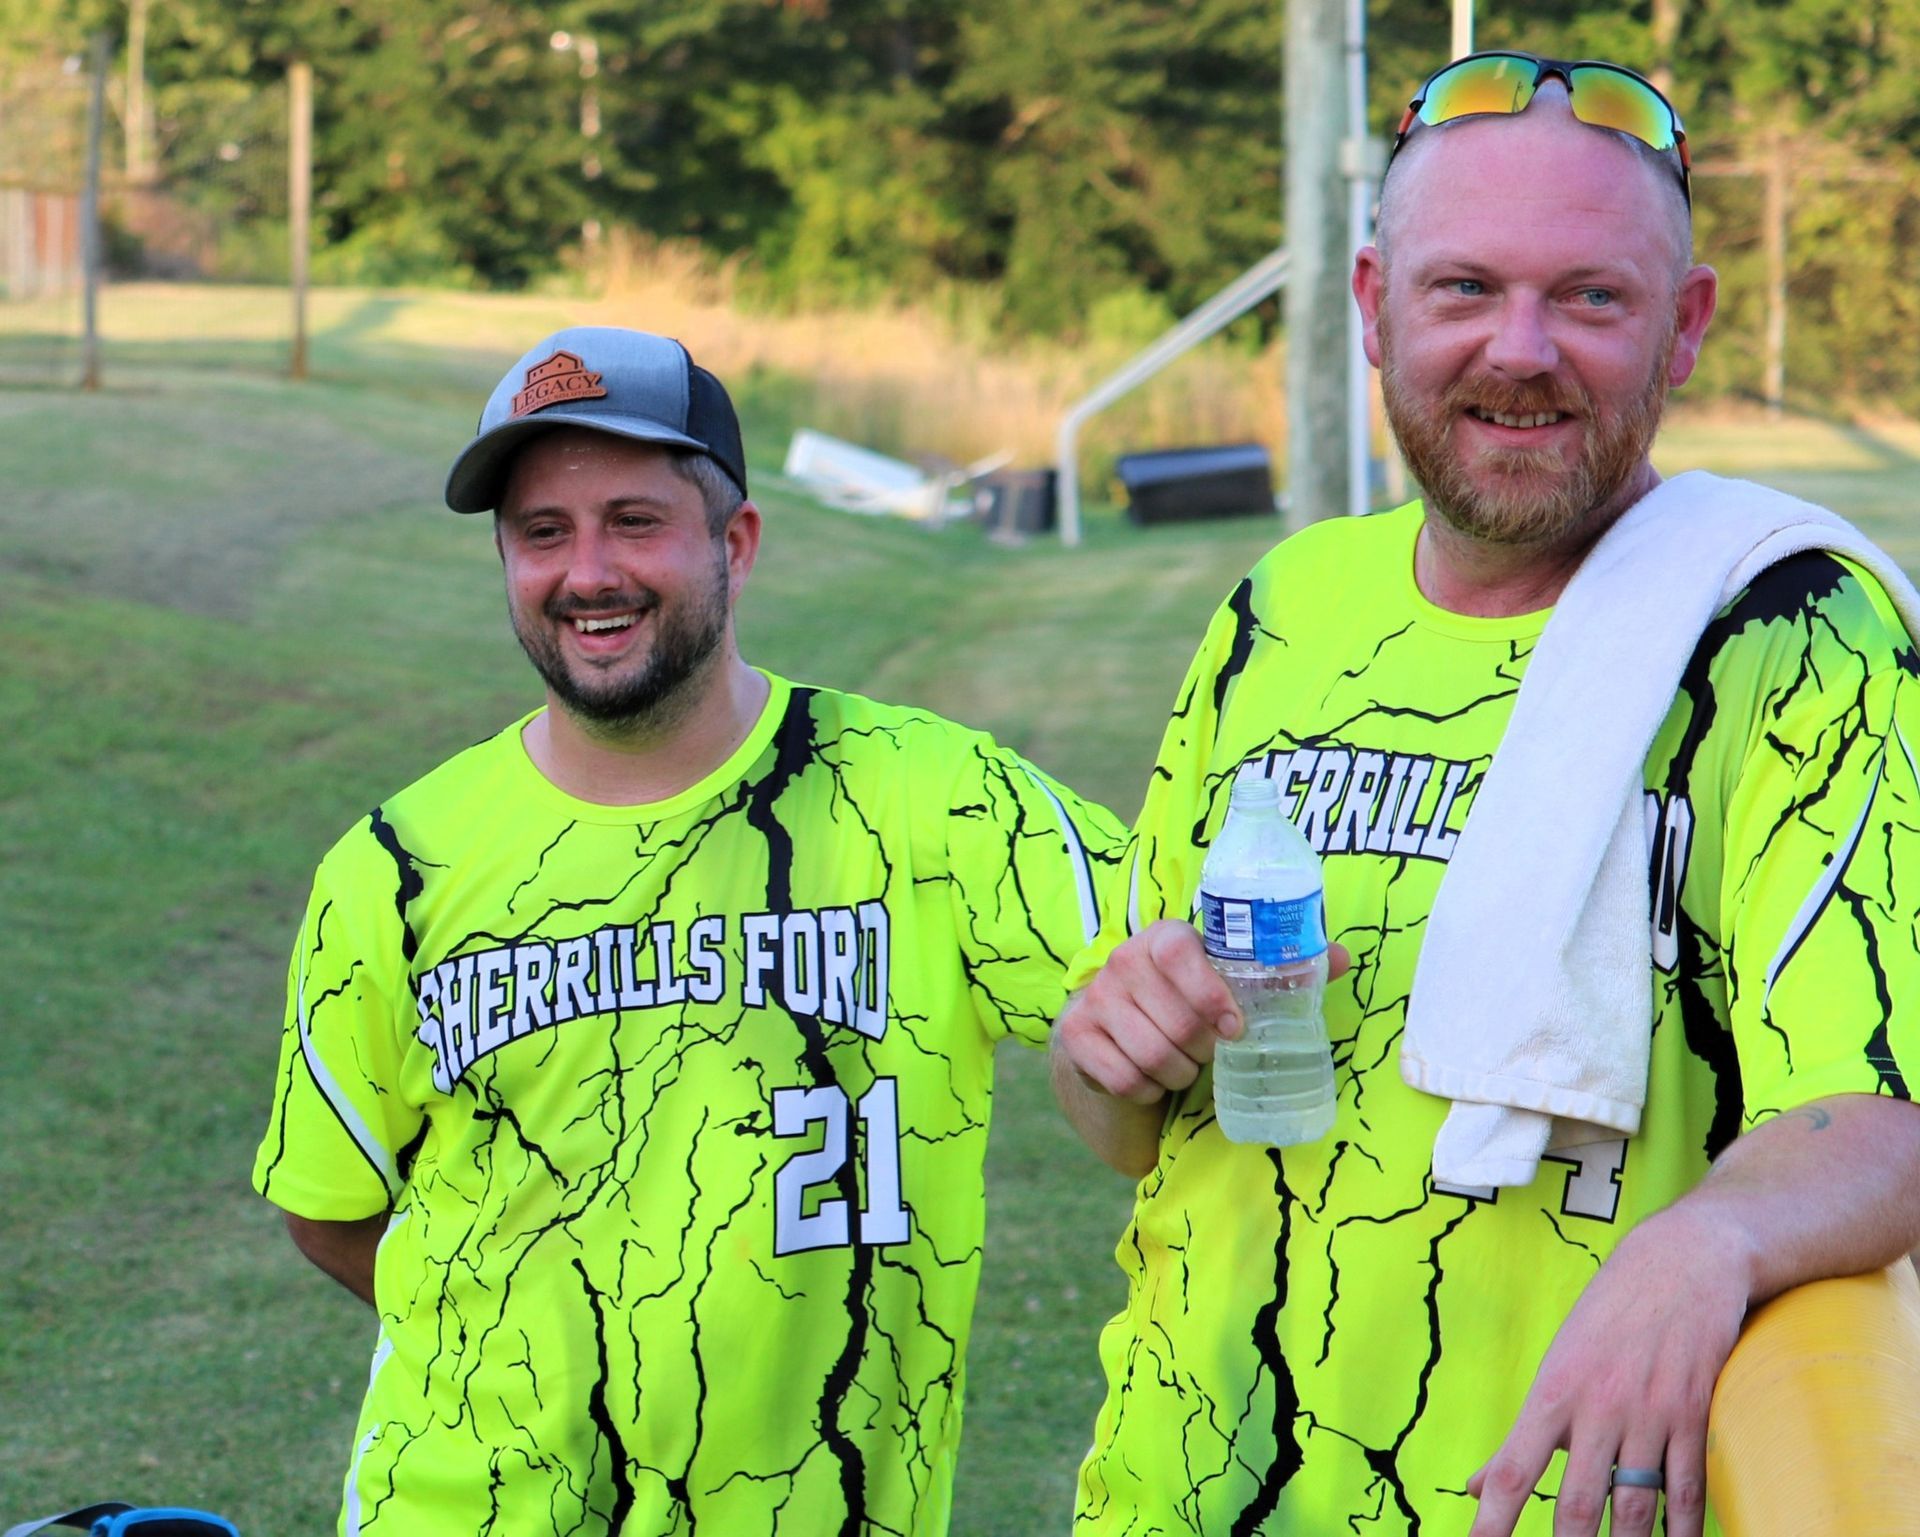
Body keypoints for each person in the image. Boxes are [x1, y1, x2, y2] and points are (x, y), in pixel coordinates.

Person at [1051, 51, 1920, 1537]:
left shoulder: (1795, 637)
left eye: (1591, 297)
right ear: (1374, 305)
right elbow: (1130, 1119)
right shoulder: (1281, 606)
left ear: (1687, 325)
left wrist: (1703, 1240)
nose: (1522, 351)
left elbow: (1884, 1112)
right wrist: (1105, 1046)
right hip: (1184, 1489)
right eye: (1466, 291)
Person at [252, 326, 1122, 1535]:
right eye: (541, 533)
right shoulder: (396, 868)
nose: (587, 571)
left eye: (634, 520)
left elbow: (1159, 980)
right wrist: (528, 1334)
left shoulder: (936, 800)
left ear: (737, 541)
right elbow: (328, 1202)